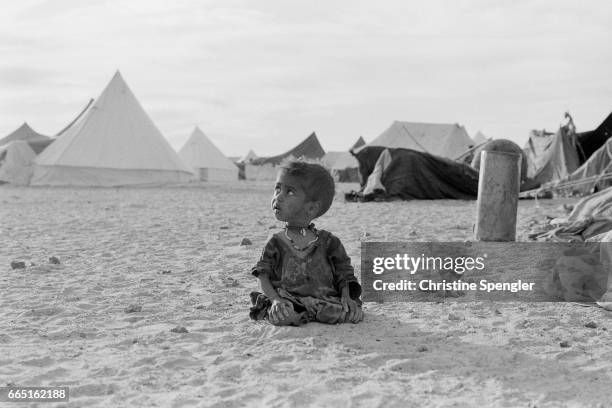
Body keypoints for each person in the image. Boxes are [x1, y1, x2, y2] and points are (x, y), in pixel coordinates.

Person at [249, 161, 364, 326]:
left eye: (289, 192)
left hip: (324, 300)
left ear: (311, 208)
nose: (278, 196)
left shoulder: (329, 242)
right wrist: (275, 300)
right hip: (288, 299)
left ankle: (317, 312)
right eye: (277, 188)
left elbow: (344, 275)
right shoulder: (275, 241)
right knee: (282, 314)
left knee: (348, 313)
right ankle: (291, 312)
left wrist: (347, 297)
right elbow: (263, 276)